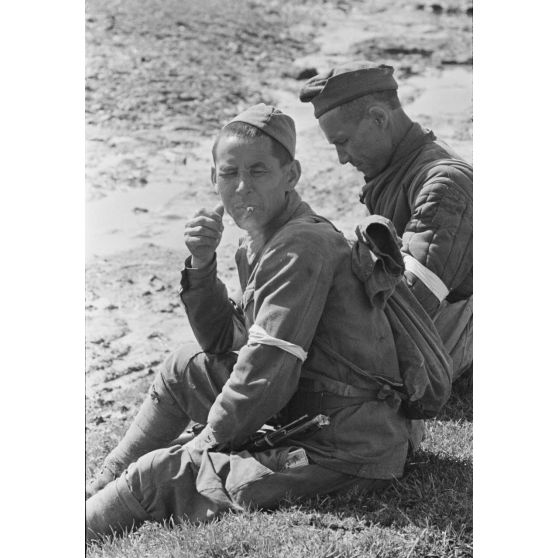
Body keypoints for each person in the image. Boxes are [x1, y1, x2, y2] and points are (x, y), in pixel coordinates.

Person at [85, 104, 425, 544]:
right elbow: (228, 341)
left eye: (259, 171)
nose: (243, 187)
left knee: (161, 473)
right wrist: (203, 264)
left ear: (291, 175)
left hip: (345, 445)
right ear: (213, 180)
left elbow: (266, 373)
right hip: (315, 406)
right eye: (229, 174)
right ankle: (98, 487)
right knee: (184, 367)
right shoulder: (262, 243)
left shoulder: (300, 245)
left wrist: (205, 443)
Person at [299, 62, 473, 381]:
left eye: (344, 141)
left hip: (446, 335)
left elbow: (413, 304)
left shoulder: (444, 184)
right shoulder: (394, 169)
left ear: (379, 118)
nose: (341, 158)